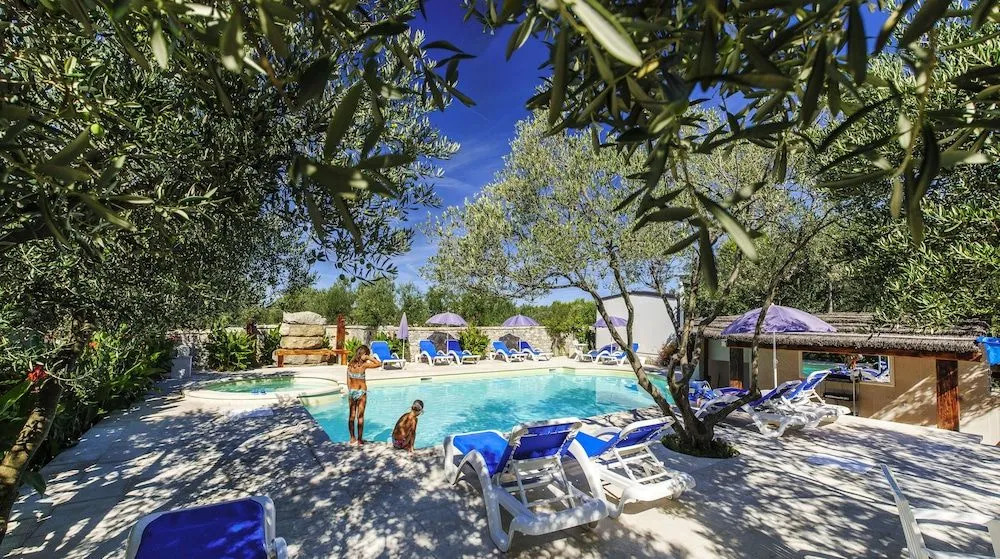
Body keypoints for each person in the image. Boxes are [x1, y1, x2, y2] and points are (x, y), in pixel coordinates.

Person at [346, 345, 380, 445]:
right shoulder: (364, 365)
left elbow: (348, 381)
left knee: (351, 416)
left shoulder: (350, 365)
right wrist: (368, 357)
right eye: (367, 355)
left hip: (352, 392)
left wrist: (351, 391)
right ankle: (360, 440)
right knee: (360, 417)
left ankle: (352, 438)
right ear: (364, 354)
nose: (367, 357)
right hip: (361, 393)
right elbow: (379, 364)